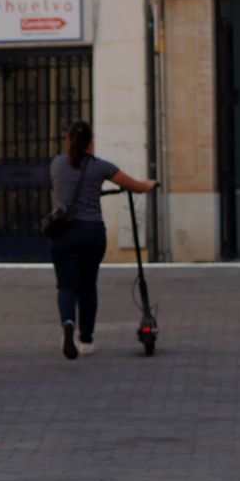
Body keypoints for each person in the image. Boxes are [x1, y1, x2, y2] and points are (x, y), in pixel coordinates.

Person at [47, 120, 157, 360]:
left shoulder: (57, 164)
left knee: (66, 285)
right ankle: (86, 340)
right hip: (91, 232)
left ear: (69, 141)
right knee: (87, 285)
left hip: (63, 233)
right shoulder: (100, 167)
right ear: (90, 143)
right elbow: (135, 186)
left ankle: (68, 322)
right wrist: (149, 185)